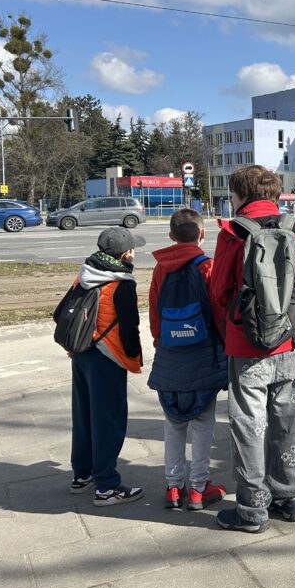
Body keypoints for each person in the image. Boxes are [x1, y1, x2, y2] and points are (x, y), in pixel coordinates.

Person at [209, 165, 295, 533]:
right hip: (287, 340)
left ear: (240, 195)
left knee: (248, 424)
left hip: (246, 342)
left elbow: (219, 289)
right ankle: (289, 496)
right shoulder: (294, 228)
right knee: (288, 418)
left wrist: (233, 329)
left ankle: (252, 508)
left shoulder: (233, 232)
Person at [147, 209, 227, 511]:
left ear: (170, 237)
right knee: (203, 423)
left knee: (173, 423)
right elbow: (218, 312)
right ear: (202, 234)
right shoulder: (207, 266)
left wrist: (160, 341)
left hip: (170, 353)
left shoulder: (160, 270)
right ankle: (198, 488)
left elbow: (154, 312)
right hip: (202, 354)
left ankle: (173, 486)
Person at [67, 226, 146, 506]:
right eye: (133, 249)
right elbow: (129, 328)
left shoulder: (86, 273)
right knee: (108, 420)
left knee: (84, 415)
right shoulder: (122, 283)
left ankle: (82, 474)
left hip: (81, 351)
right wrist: (136, 357)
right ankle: (107, 486)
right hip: (108, 355)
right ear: (126, 253)